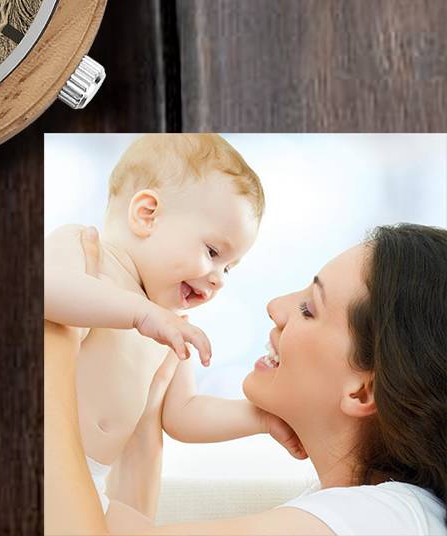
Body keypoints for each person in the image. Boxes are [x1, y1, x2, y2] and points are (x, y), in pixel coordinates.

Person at [45, 223, 447, 535]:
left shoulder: (383, 521)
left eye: (308, 308)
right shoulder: (378, 514)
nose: (276, 307)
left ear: (362, 391)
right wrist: (145, 416)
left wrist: (54, 335)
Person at [45, 135, 306, 521]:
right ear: (146, 215)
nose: (219, 279)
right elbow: (45, 290)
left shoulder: (169, 328)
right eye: (213, 252)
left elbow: (183, 414)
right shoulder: (88, 255)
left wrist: (262, 418)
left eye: (229, 268)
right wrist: (141, 314)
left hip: (91, 484)